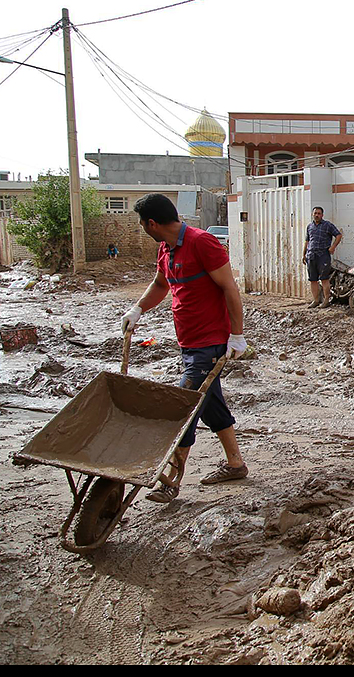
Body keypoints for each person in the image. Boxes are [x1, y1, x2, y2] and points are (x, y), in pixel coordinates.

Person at [121, 193, 248, 504]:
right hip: (189, 342)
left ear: (152, 223)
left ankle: (171, 481)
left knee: (186, 409)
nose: (142, 229)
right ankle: (235, 464)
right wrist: (138, 309)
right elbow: (161, 285)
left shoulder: (202, 242)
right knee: (211, 403)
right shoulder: (166, 248)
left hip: (209, 342)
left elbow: (229, 287)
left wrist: (236, 335)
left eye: (142, 224)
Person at [302, 206, 342, 309]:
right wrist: (304, 254)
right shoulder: (309, 226)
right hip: (311, 255)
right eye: (315, 213)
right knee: (313, 279)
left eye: (319, 213)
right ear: (312, 214)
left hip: (323, 255)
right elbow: (307, 241)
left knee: (324, 279)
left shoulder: (327, 225)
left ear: (322, 215)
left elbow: (338, 235)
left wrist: (333, 247)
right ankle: (315, 300)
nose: (317, 215)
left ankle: (326, 301)